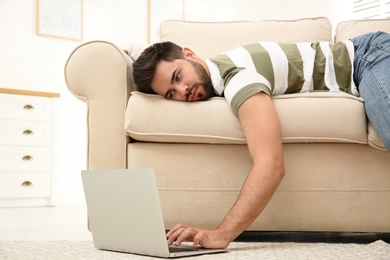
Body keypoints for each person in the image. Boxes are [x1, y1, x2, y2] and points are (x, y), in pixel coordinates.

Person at [132, 31, 390, 249]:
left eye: (178, 77)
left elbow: (271, 164)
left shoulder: (235, 76)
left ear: (189, 54)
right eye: (170, 93)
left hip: (369, 56)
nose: (182, 91)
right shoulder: (222, 74)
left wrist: (222, 234)